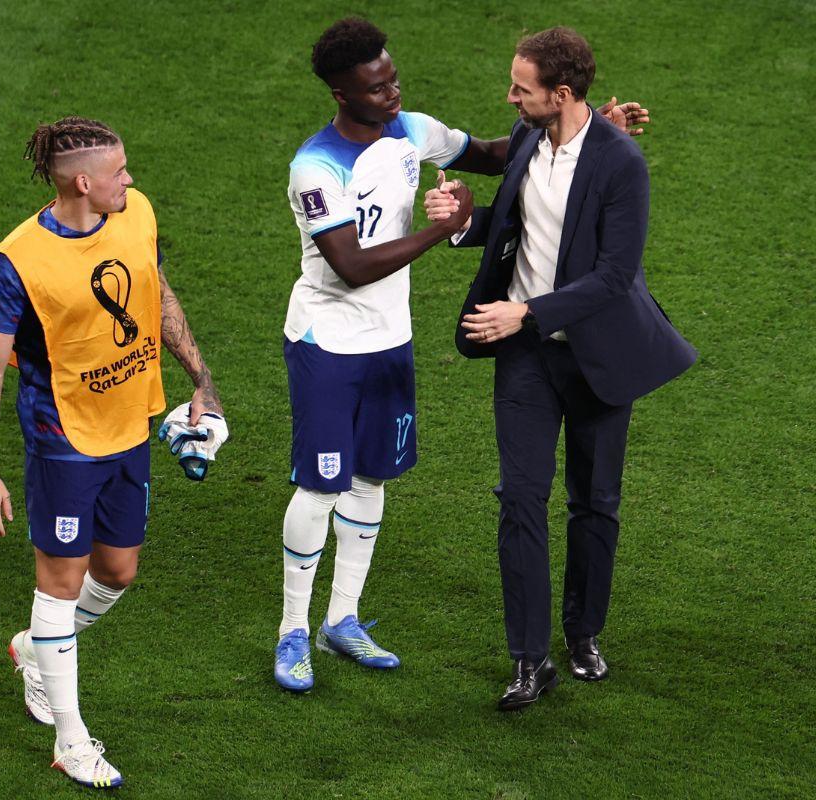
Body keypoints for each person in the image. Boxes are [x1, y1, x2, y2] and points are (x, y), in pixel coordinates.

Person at [274, 18, 649, 694]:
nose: (392, 93)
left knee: (372, 479)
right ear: (340, 91)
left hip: (389, 341)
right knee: (322, 484)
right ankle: (292, 631)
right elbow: (352, 265)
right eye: (376, 87)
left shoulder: (413, 129)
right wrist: (441, 230)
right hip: (326, 341)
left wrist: (593, 131)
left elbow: (499, 152)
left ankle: (344, 619)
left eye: (393, 80)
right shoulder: (315, 166)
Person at [426, 28, 696, 711]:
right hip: (526, 359)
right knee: (519, 498)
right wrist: (462, 220)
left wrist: (525, 312)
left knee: (594, 502)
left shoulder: (620, 163)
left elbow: (614, 276)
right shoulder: (525, 140)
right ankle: (528, 658)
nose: (510, 96)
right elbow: (518, 225)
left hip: (600, 357)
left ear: (562, 94)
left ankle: (583, 633)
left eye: (521, 87)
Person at [0, 116, 224, 787]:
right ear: (84, 181)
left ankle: (36, 648)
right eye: (119, 171)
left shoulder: (135, 213)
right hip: (65, 441)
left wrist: (202, 381)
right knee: (58, 580)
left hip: (130, 427)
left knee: (117, 572)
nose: (131, 179)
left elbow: (158, 297)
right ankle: (71, 738)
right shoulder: (16, 262)